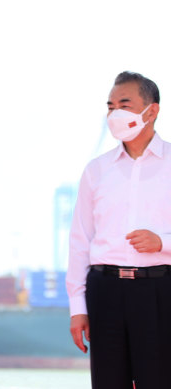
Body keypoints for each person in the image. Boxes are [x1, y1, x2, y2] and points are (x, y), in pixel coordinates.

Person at [67, 71, 171, 388]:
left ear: (151, 111)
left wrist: (163, 243)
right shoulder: (96, 171)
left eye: (124, 104)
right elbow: (79, 240)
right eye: (110, 106)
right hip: (105, 290)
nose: (114, 113)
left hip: (159, 290)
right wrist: (77, 308)